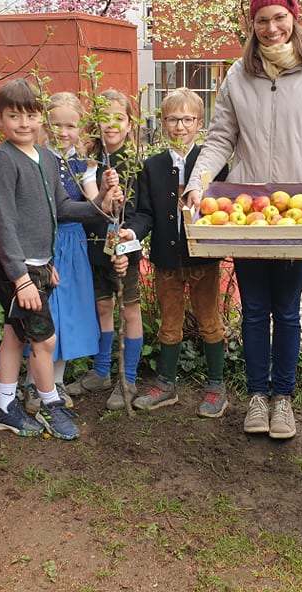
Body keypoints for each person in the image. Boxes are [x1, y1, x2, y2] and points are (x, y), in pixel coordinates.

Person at [184, 0, 302, 439]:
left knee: (288, 310)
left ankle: (284, 399)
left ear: (293, 16)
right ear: (251, 24)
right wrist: (198, 183)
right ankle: (258, 396)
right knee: (255, 310)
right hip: (247, 213)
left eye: (279, 17)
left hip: (299, 211)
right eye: (262, 20)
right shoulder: (238, 77)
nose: (272, 28)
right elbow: (220, 139)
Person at [0, 79, 118, 439]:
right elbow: (2, 223)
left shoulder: (44, 158)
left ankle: (3, 407)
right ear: (0, 119)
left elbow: (61, 208)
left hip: (40, 264)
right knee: (44, 340)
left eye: (30, 116)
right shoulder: (3, 161)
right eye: (14, 116)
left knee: (15, 334)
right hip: (15, 268)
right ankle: (49, 404)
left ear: (39, 118)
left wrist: (101, 202)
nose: (23, 123)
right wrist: (21, 278)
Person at [117, 88, 229, 417]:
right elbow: (145, 213)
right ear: (163, 122)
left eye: (187, 119)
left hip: (202, 259)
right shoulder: (152, 166)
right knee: (169, 322)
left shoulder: (212, 163)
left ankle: (216, 385)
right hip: (166, 260)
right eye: (172, 119)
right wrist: (132, 232)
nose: (180, 126)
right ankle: (166, 384)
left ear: (199, 123)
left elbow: (224, 208)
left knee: (209, 320)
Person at [65, 90, 145, 411]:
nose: (111, 124)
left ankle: (128, 378)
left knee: (130, 311)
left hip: (125, 254)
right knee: (102, 307)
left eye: (119, 118)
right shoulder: (89, 164)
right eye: (104, 118)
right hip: (95, 250)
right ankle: (100, 372)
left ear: (130, 124)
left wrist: (127, 238)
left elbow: (143, 215)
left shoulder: (136, 164)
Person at [21, 92, 100, 414]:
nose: (63, 132)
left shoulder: (85, 164)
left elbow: (93, 203)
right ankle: (32, 383)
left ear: (80, 128)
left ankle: (56, 381)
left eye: (70, 126)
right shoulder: (37, 157)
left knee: (67, 315)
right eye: (56, 125)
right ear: (45, 124)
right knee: (43, 314)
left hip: (73, 243)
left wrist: (108, 196)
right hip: (44, 243)